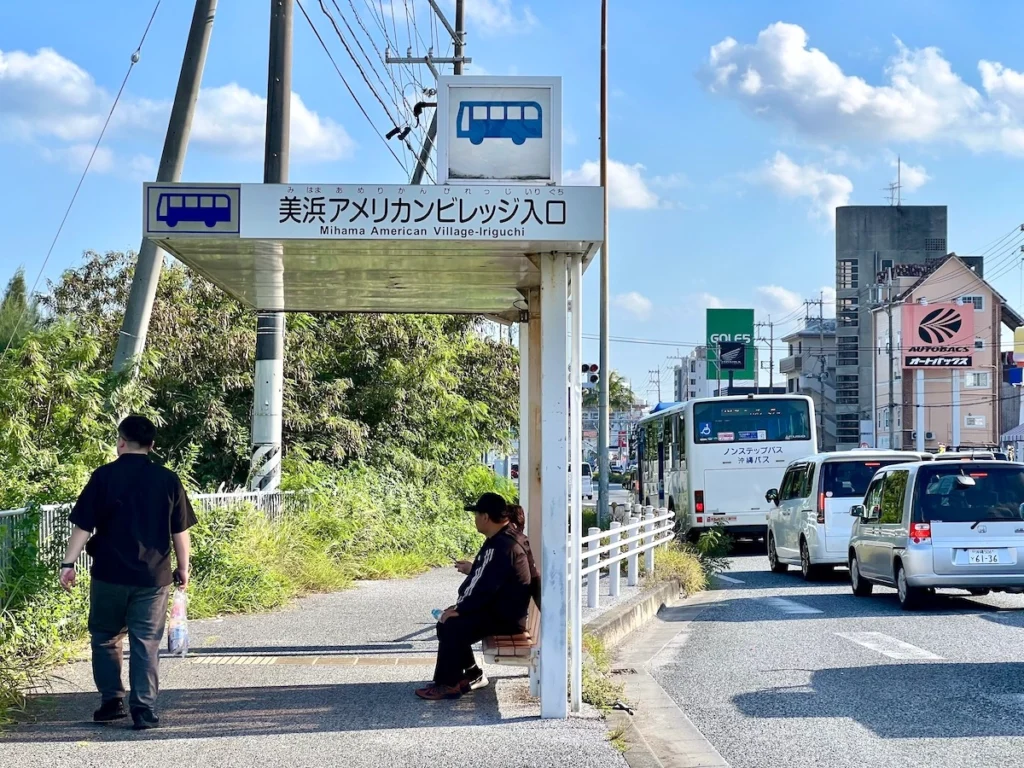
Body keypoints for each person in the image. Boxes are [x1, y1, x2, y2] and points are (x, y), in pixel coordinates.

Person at [58, 415, 197, 730]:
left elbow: (83, 525)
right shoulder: (168, 479)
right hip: (153, 577)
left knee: (105, 638)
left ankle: (111, 702)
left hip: (108, 574)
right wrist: (184, 568)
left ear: (121, 442)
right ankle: (144, 710)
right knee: (145, 641)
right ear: (152, 445)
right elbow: (180, 531)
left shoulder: (104, 476)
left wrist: (68, 564)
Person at [415, 492, 540, 701]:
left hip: (504, 618)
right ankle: (472, 674)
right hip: (508, 613)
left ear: (486, 517)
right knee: (450, 621)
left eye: (476, 514)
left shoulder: (501, 545)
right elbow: (489, 578)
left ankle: (448, 684)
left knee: (450, 625)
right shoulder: (509, 538)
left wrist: (459, 609)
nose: (474, 519)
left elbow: (483, 588)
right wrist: (460, 605)